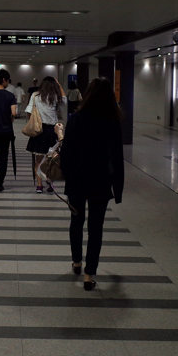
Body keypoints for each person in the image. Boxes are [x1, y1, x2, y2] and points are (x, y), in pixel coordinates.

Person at [59, 77, 125, 291]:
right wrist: (118, 187)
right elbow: (117, 158)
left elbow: (67, 152)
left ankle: (77, 262)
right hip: (100, 181)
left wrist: (67, 177)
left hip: (77, 180)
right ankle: (89, 275)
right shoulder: (112, 122)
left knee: (76, 221)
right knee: (96, 228)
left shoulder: (77, 119)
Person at [26, 76, 67, 193]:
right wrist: (59, 86)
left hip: (39, 130)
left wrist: (32, 123)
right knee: (51, 159)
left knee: (38, 159)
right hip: (52, 131)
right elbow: (64, 100)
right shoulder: (56, 97)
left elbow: (29, 112)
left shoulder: (35, 95)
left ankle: (39, 185)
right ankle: (50, 183)